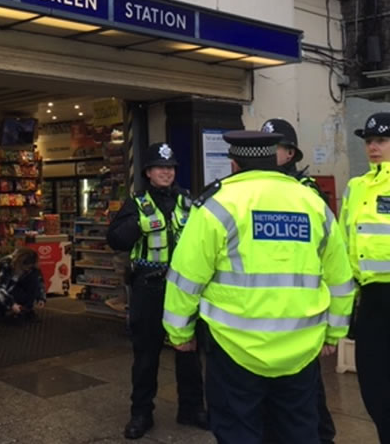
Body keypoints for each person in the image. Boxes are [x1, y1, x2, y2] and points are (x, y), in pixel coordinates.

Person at [163, 130, 355, 444]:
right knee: (298, 430)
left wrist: (179, 334)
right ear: (274, 160)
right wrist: (334, 333)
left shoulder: (216, 205)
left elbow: (186, 278)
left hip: (234, 349)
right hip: (300, 349)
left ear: (234, 164)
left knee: (239, 432)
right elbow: (340, 279)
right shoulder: (312, 204)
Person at [107, 142, 206, 439]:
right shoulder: (136, 203)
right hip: (149, 287)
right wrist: (140, 223)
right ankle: (141, 413)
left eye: (170, 167)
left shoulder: (188, 201)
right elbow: (116, 239)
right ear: (148, 172)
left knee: (188, 352)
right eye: (161, 167)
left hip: (183, 290)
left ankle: (191, 408)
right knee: (146, 355)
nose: (166, 172)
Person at [339, 112, 390, 444]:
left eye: (381, 140)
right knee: (373, 385)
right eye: (369, 141)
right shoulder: (356, 187)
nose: (373, 147)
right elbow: (344, 242)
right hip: (370, 296)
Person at [261, 118, 337, 444]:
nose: (265, 153)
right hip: (263, 309)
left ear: (289, 153)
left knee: (307, 396)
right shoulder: (252, 189)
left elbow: (329, 254)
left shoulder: (307, 192)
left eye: (273, 147)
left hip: (301, 310)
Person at [0, 247, 46, 321]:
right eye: (26, 268)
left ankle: (25, 310)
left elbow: (39, 281)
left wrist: (41, 297)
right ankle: (3, 311)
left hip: (15, 289)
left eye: (30, 268)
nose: (27, 270)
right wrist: (11, 304)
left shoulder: (32, 266)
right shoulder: (5, 264)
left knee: (33, 277)